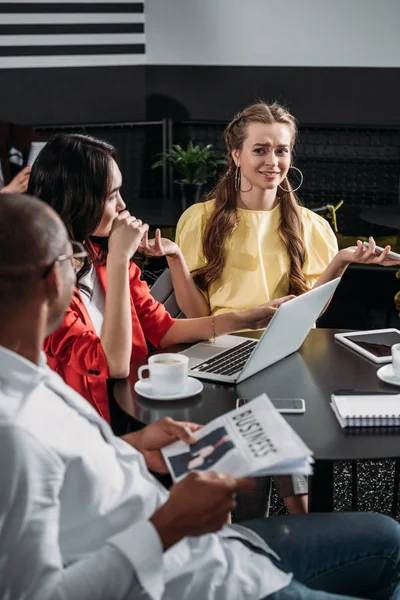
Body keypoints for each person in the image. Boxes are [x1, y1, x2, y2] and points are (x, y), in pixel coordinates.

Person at [1, 193, 400, 600]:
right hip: (196, 580)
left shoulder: (23, 373)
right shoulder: (14, 429)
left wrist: (133, 447)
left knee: (389, 535)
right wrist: (171, 524)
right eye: (75, 260)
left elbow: (60, 477)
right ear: (54, 279)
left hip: (212, 552)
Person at [143, 102, 400, 516]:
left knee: (281, 424)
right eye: (260, 149)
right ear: (236, 155)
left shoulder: (312, 226)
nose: (272, 161)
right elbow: (194, 313)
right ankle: (251, 529)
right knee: (255, 443)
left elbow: (308, 313)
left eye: (282, 150)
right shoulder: (200, 218)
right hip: (217, 347)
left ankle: (301, 532)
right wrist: (174, 259)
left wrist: (342, 261)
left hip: (282, 351)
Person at [27, 133, 293, 423]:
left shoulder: (102, 257)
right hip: (88, 423)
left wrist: (247, 318)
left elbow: (164, 330)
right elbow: (112, 364)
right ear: (75, 199)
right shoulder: (43, 286)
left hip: (135, 401)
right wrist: (119, 259)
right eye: (111, 196)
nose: (122, 206)